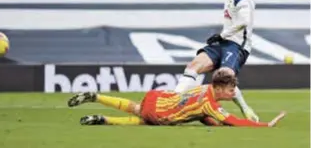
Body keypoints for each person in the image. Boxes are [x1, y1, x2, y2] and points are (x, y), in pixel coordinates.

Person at [174, 0, 259, 121]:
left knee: (224, 77)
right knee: (194, 66)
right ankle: (174, 101)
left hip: (237, 46)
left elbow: (243, 22)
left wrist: (221, 35)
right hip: (224, 41)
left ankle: (246, 109)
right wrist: (222, 37)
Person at [67, 68, 286, 127]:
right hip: (161, 113)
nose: (233, 93)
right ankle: (104, 119)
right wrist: (266, 125)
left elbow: (201, 115)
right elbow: (233, 120)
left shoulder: (203, 88)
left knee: (136, 108)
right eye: (230, 90)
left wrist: (212, 121)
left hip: (158, 97)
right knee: (143, 120)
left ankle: (96, 97)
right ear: (219, 88)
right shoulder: (210, 103)